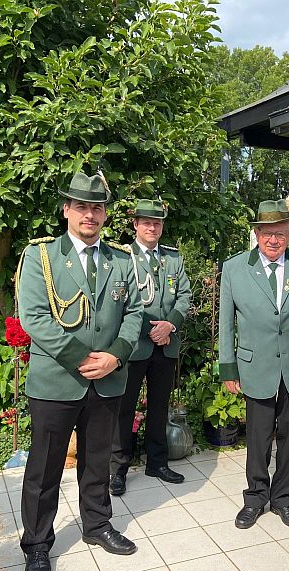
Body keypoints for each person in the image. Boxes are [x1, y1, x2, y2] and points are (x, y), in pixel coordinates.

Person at [16, 172, 144, 571]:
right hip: (57, 380)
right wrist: (82, 358)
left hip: (107, 379)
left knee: (98, 460)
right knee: (45, 466)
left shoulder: (122, 260)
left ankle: (97, 524)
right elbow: (34, 317)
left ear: (105, 213)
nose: (91, 215)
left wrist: (115, 356)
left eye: (98, 207)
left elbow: (135, 315)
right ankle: (37, 543)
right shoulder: (41, 257)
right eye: (82, 207)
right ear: (66, 209)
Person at [219, 198, 289, 530]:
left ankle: (283, 500)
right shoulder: (235, 267)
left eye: (280, 234)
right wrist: (228, 367)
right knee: (257, 437)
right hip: (255, 366)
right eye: (266, 233)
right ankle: (255, 498)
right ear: (257, 233)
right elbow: (227, 324)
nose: (273, 240)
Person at [109, 198, 192, 494]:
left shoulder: (173, 258)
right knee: (124, 408)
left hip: (166, 344)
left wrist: (170, 324)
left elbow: (184, 296)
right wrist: (152, 330)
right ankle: (118, 468)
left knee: (159, 406)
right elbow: (120, 303)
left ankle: (157, 462)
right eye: (146, 222)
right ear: (136, 225)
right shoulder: (122, 257)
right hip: (133, 346)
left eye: (157, 223)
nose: (152, 227)